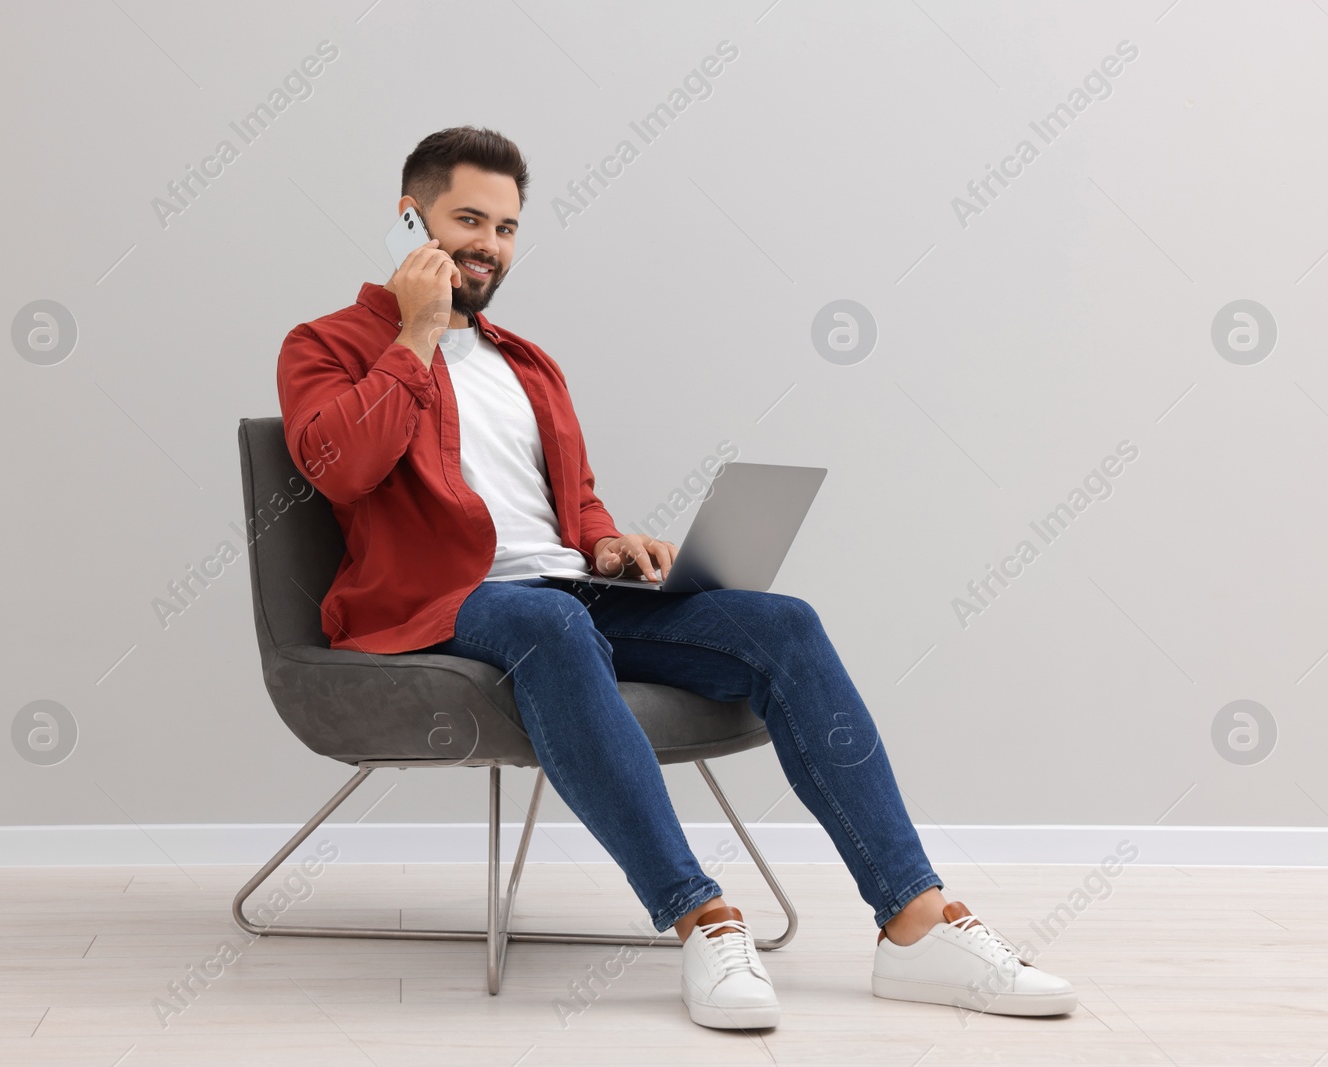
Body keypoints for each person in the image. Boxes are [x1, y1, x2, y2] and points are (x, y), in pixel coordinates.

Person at [276, 126, 1076, 1030]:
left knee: (782, 623)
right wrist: (415, 334)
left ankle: (914, 923)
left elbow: (572, 508)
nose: (490, 245)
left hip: (567, 597)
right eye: (468, 219)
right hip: (437, 606)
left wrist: (611, 545)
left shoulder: (527, 364)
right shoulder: (326, 344)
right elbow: (341, 466)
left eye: (505, 227)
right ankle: (699, 916)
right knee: (551, 625)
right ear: (410, 217)